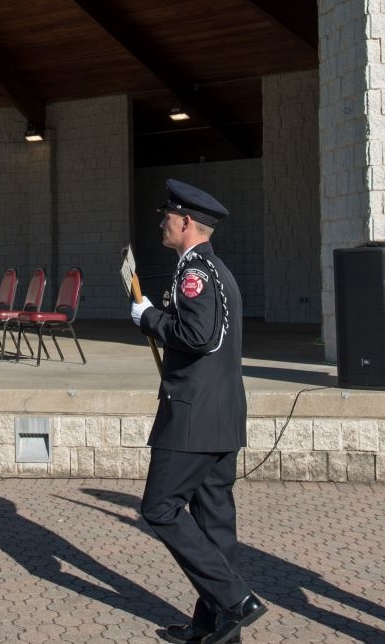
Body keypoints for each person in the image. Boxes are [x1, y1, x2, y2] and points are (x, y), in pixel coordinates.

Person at [130, 180, 261, 644]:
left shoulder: (195, 272)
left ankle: (234, 598)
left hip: (192, 417)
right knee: (214, 523)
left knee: (160, 507)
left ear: (186, 223)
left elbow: (198, 335)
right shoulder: (217, 269)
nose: (162, 221)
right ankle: (218, 626)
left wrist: (148, 317)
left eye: (168, 215)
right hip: (221, 415)